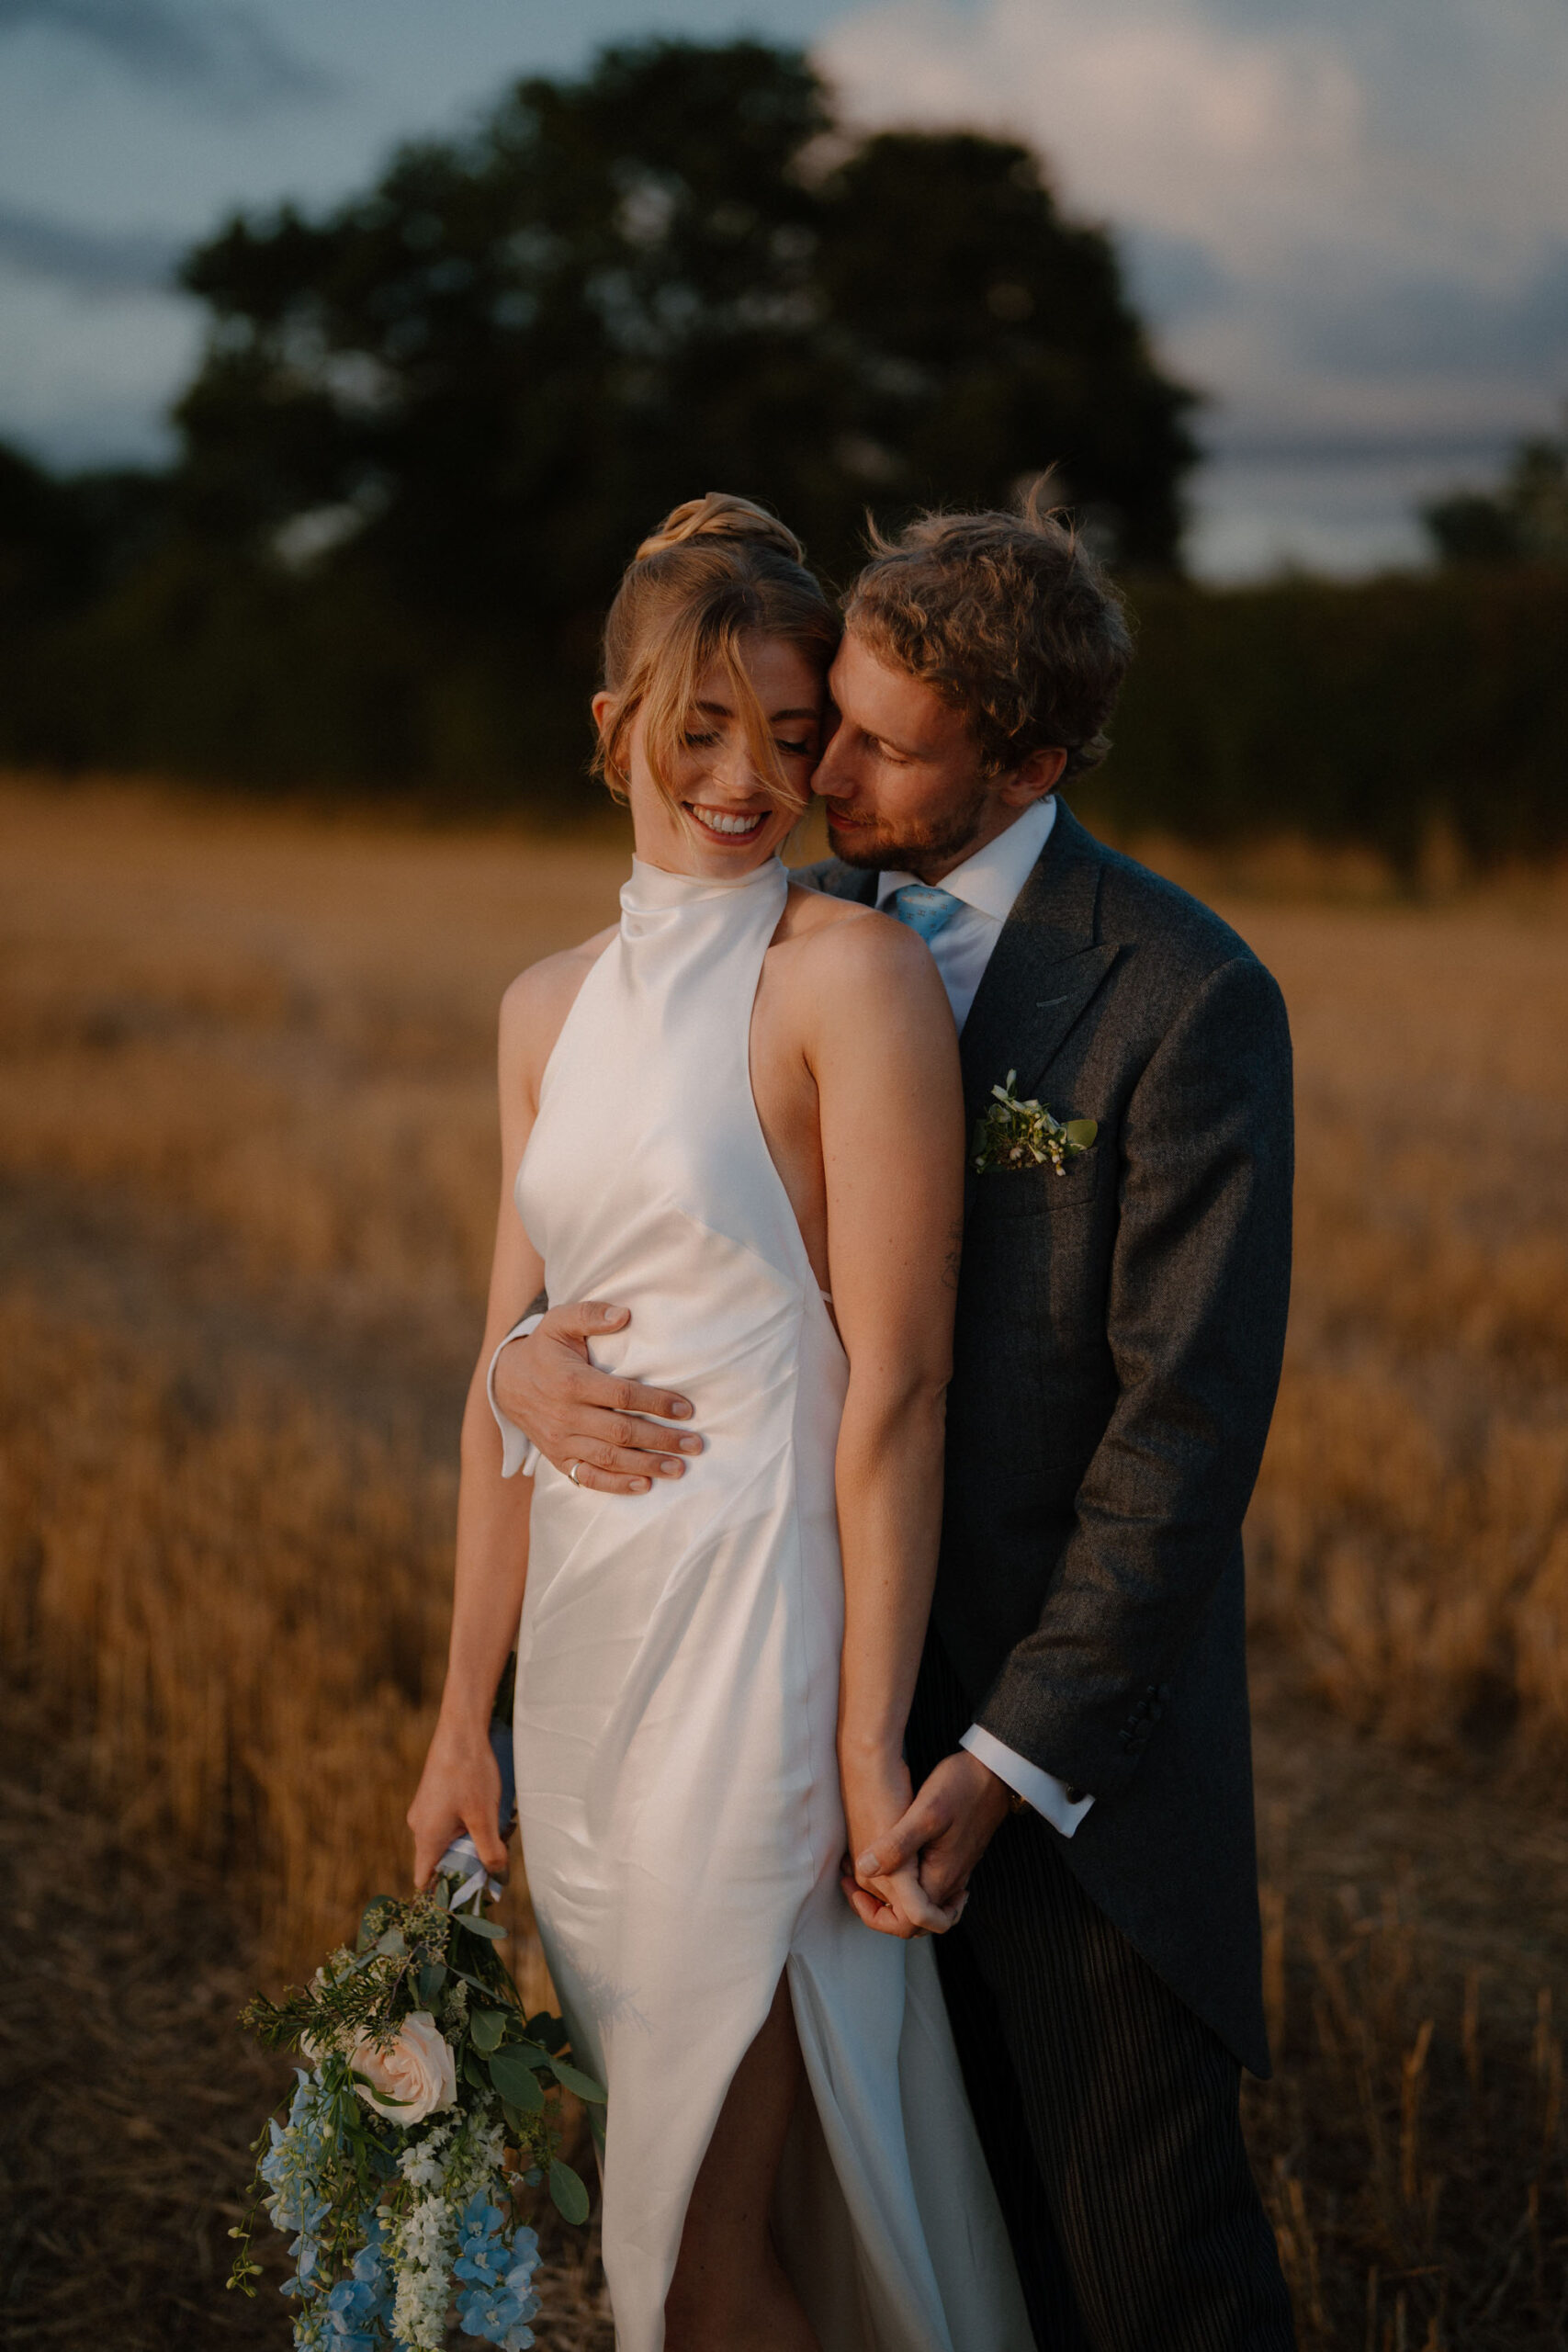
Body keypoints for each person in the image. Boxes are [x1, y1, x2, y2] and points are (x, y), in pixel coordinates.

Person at [492, 493, 1300, 2351]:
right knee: (910, 2229)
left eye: (868, 740)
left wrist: (1004, 1755)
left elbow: (1180, 1436)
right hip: (774, 1676)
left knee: (1132, 2249)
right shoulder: (801, 922)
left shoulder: (1181, 997)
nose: (817, 764)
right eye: (820, 717)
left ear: (1024, 762)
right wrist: (515, 1356)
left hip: (1045, 1750)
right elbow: (669, 1219)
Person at [408, 493, 1032, 2352]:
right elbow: (499, 1372)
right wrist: (461, 1726)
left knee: (685, 2261)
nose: (749, 777)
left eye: (784, 730)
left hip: (756, 1646)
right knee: (660, 2219)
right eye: (700, 731)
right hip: (586, 1681)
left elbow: (900, 1380)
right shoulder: (543, 1009)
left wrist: (860, 1741)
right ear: (615, 730)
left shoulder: (844, 976)